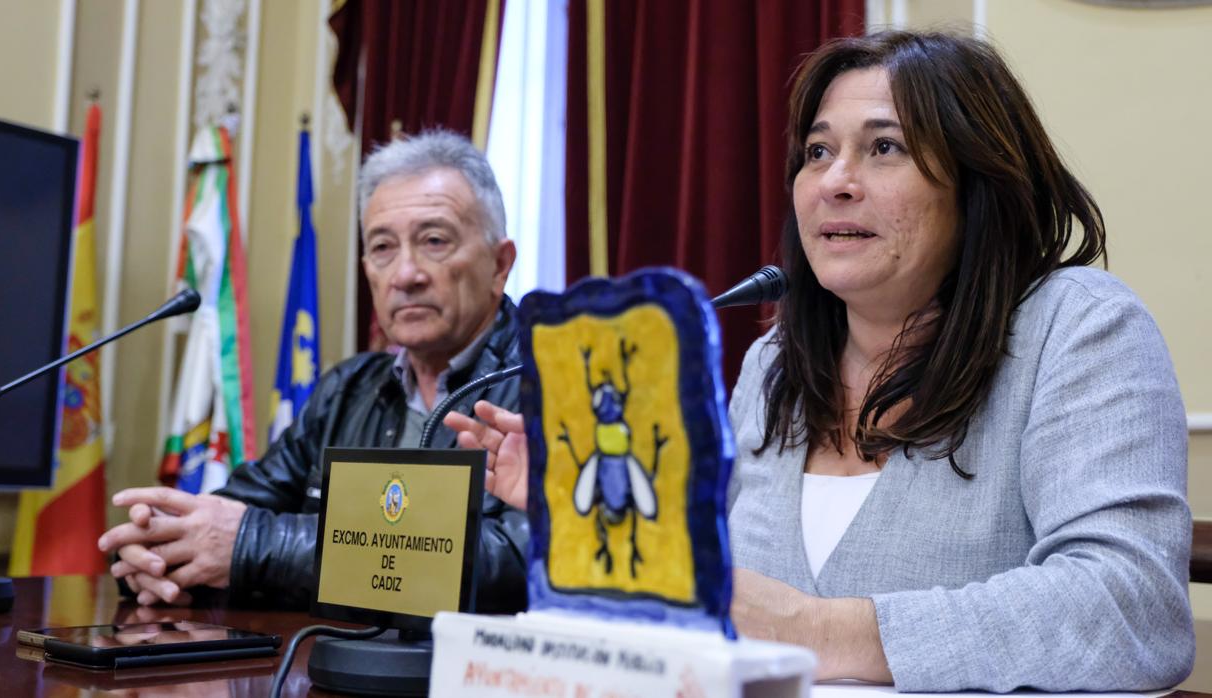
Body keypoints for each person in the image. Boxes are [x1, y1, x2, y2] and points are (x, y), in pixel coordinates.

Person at [445, 31, 1195, 692]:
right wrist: (588, 501)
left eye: (884, 147)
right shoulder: (773, 365)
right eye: (817, 152)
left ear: (976, 183)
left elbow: (1133, 608)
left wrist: (821, 631)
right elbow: (712, 595)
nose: (836, 181)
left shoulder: (1079, 327)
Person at [99, 129, 529, 612]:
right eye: (383, 247)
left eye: (433, 241)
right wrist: (150, 550)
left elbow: (517, 562)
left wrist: (251, 548)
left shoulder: (550, 388)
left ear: (499, 264)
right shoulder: (348, 389)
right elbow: (225, 520)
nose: (406, 274)